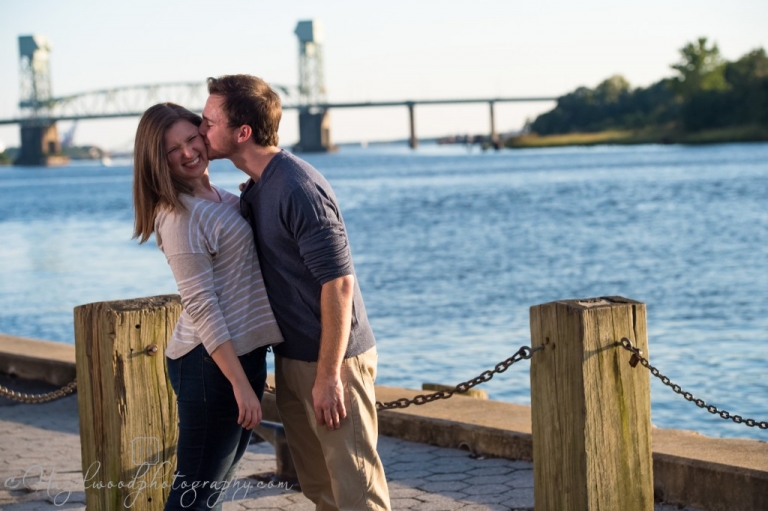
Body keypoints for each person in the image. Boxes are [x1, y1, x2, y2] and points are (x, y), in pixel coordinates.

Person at [200, 74, 391, 511]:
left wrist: (328, 377)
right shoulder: (258, 188)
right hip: (294, 357)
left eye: (209, 122)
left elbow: (339, 284)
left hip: (334, 361)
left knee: (358, 494)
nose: (200, 129)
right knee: (321, 488)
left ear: (242, 132)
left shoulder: (298, 187)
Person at [132, 102, 284, 510]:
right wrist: (239, 384)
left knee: (209, 494)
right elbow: (201, 305)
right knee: (194, 497)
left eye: (191, 138)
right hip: (210, 365)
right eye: (172, 149)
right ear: (157, 160)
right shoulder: (179, 216)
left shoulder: (223, 198)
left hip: (242, 356)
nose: (187, 152)